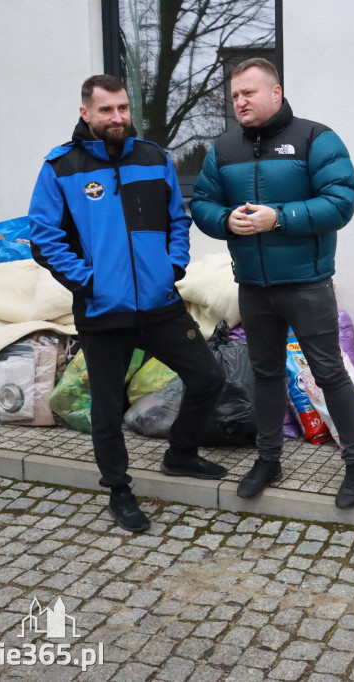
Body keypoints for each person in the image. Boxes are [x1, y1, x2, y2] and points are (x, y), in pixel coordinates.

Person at [29, 75, 227, 533]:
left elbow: (178, 218)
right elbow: (45, 237)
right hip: (102, 311)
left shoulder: (154, 158)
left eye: (122, 108)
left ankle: (180, 454)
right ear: (86, 113)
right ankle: (118, 489)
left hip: (159, 303)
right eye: (106, 110)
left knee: (208, 376)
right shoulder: (62, 166)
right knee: (106, 406)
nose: (117, 117)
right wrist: (89, 281)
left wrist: (173, 267)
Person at [190, 58, 354, 509]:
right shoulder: (225, 148)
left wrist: (280, 218)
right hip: (252, 285)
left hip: (307, 283)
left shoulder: (315, 138)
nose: (240, 102)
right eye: (234, 96)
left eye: (248, 93)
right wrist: (226, 221)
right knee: (266, 375)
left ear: (276, 92)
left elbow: (341, 201)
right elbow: (203, 203)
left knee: (329, 372)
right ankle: (268, 459)